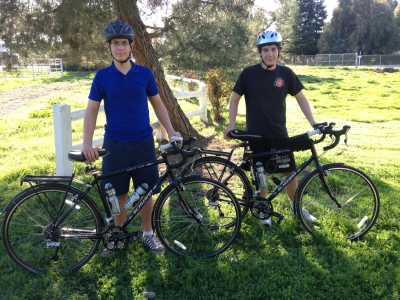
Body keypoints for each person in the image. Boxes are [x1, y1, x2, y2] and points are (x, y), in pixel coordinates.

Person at [82, 19, 180, 252]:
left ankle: (148, 233)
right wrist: (87, 142)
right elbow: (91, 111)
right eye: (115, 44)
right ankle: (118, 235)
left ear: (131, 46)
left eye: (123, 43)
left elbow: (159, 105)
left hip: (143, 142)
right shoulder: (102, 77)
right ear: (110, 47)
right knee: (118, 194)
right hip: (115, 144)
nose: (120, 48)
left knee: (146, 192)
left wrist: (172, 131)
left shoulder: (144, 74)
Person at [224, 29, 318, 225]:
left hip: (279, 134)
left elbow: (301, 98)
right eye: (265, 50)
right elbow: (234, 100)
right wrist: (231, 125)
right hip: (255, 135)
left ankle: (297, 208)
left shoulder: (286, 73)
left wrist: (314, 123)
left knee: (289, 173)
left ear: (279, 51)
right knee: (260, 175)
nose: (269, 53)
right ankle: (263, 209)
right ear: (260, 52)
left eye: (273, 49)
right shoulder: (248, 73)